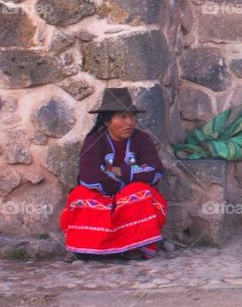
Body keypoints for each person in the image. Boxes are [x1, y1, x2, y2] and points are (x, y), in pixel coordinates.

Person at [59, 87, 167, 260]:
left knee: (142, 192)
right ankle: (85, 247)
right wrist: (128, 179)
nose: (130, 122)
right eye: (122, 116)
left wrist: (121, 171)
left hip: (130, 197)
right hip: (102, 195)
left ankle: (133, 246)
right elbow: (90, 175)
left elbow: (154, 171)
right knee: (80, 195)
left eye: (132, 116)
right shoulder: (94, 141)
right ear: (107, 121)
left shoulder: (142, 140)